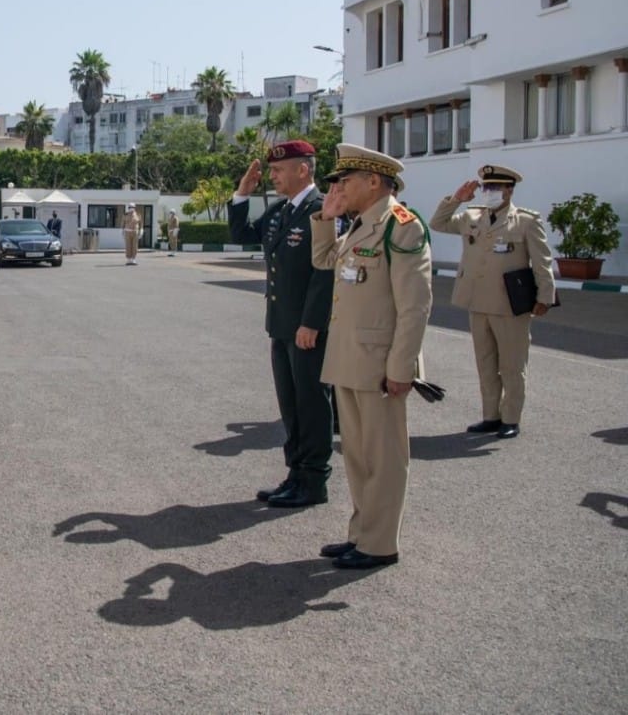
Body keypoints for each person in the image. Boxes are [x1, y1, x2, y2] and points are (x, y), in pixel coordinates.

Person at [310, 143, 431, 570]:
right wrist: (325, 219)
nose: (339, 188)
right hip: (349, 360)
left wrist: (401, 369)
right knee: (359, 457)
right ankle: (362, 534)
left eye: (346, 181)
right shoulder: (361, 225)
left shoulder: (402, 226)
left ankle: (380, 544)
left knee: (384, 458)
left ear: (373, 181)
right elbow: (325, 260)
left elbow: (414, 307)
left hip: (380, 366)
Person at [229, 140, 335, 508]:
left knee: (312, 405)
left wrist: (312, 322)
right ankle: (296, 473)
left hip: (308, 330)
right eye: (271, 170)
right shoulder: (280, 211)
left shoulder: (323, 209)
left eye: (278, 170)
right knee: (291, 406)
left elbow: (327, 273)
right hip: (281, 325)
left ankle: (314, 480)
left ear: (302, 169)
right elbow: (241, 236)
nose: (271, 176)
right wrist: (241, 196)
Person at [429, 165, 555, 439]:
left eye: (496, 188)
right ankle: (490, 416)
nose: (489, 193)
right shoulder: (472, 215)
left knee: (511, 365)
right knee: (485, 363)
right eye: (486, 188)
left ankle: (511, 418)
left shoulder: (525, 220)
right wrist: (456, 199)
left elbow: (542, 262)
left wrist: (545, 296)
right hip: (478, 301)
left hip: (510, 304)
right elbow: (437, 223)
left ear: (509, 190)